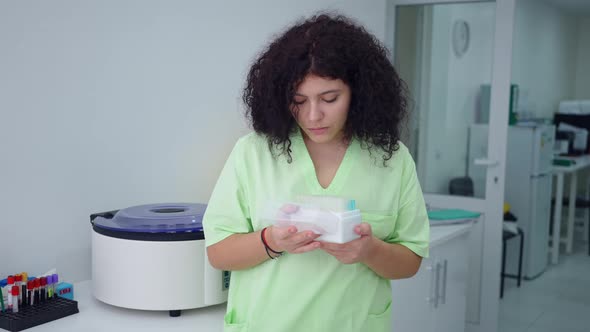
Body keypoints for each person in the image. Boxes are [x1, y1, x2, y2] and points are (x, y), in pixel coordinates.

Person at [202, 13, 429, 332]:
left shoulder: (392, 159)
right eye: (298, 101)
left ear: (359, 93)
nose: (313, 115)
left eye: (330, 98)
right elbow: (218, 253)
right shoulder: (253, 152)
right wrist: (271, 240)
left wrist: (369, 250)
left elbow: (411, 261)